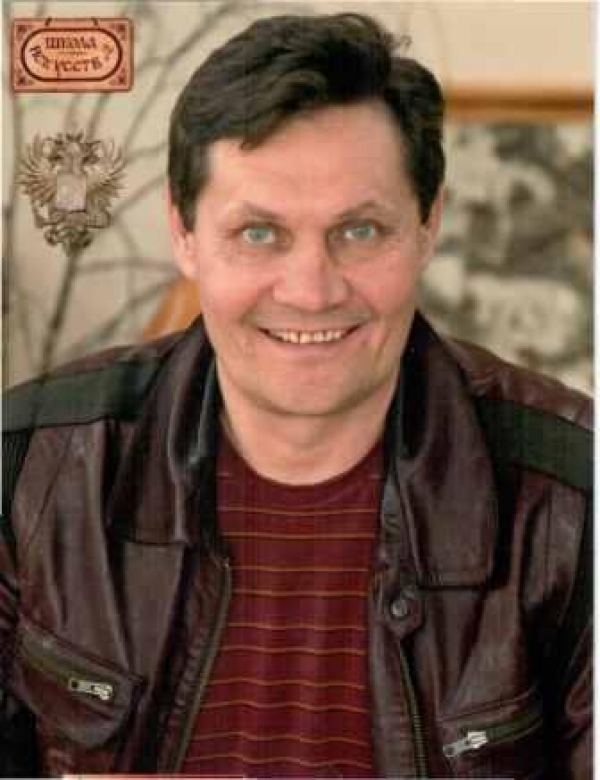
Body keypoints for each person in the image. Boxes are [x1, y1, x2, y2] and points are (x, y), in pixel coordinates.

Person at [1, 12, 591, 779]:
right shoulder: (29, 470)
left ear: (428, 225)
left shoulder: (572, 498)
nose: (311, 291)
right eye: (259, 233)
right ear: (183, 234)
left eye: (360, 231)